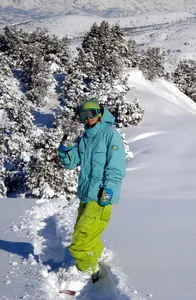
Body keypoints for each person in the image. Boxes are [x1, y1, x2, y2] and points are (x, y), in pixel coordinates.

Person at [57, 99, 126, 283]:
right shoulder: (85, 138)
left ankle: (86, 274)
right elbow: (71, 163)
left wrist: (109, 188)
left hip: (100, 197)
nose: (88, 119)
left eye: (92, 114)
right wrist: (65, 150)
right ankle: (93, 267)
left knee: (80, 241)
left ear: (100, 113)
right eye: (84, 116)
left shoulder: (110, 135)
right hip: (86, 197)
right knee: (89, 237)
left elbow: (116, 166)